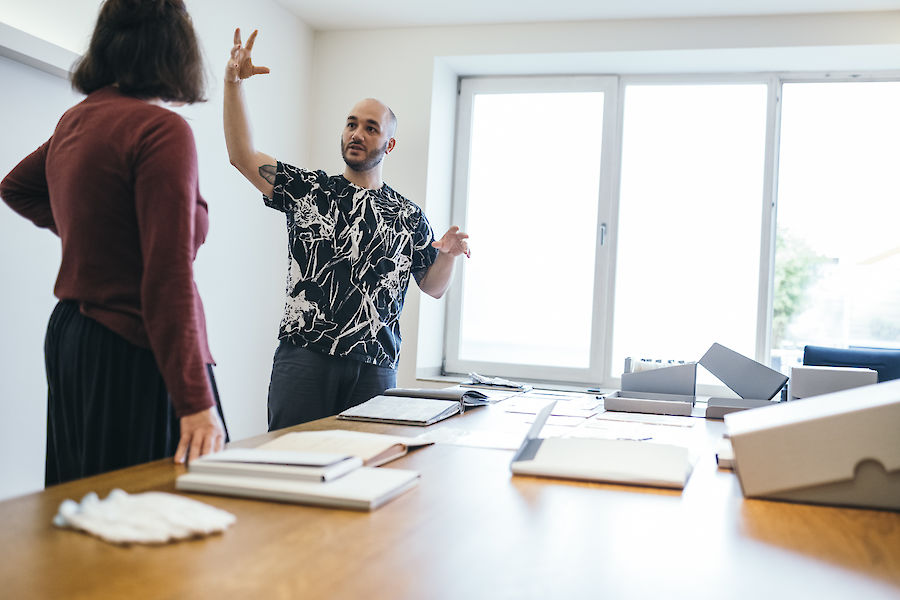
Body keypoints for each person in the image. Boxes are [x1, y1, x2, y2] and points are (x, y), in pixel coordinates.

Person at [0, 0, 227, 485]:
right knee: (153, 522)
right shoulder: (162, 131)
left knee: (82, 508)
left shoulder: (77, 119)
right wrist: (195, 403)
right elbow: (168, 279)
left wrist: (99, 240)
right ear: (174, 45)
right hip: (134, 342)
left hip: (73, 339)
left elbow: (15, 187)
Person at [224, 28, 471, 431]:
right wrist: (233, 83)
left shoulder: (408, 214)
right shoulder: (309, 189)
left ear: (388, 145)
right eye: (351, 124)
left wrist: (448, 256)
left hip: (375, 369)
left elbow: (433, 286)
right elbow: (241, 155)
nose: (357, 133)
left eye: (371, 128)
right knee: (290, 465)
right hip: (305, 358)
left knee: (365, 468)